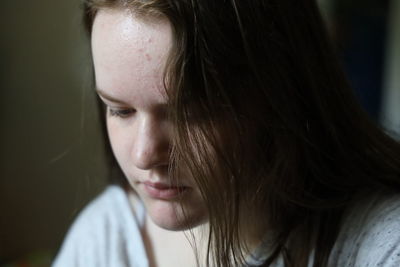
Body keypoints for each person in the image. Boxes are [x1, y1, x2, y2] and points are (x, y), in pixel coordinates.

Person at [53, 0, 400, 266]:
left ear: (279, 94)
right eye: (120, 110)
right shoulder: (104, 237)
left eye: (190, 114)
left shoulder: (382, 244)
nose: (145, 154)